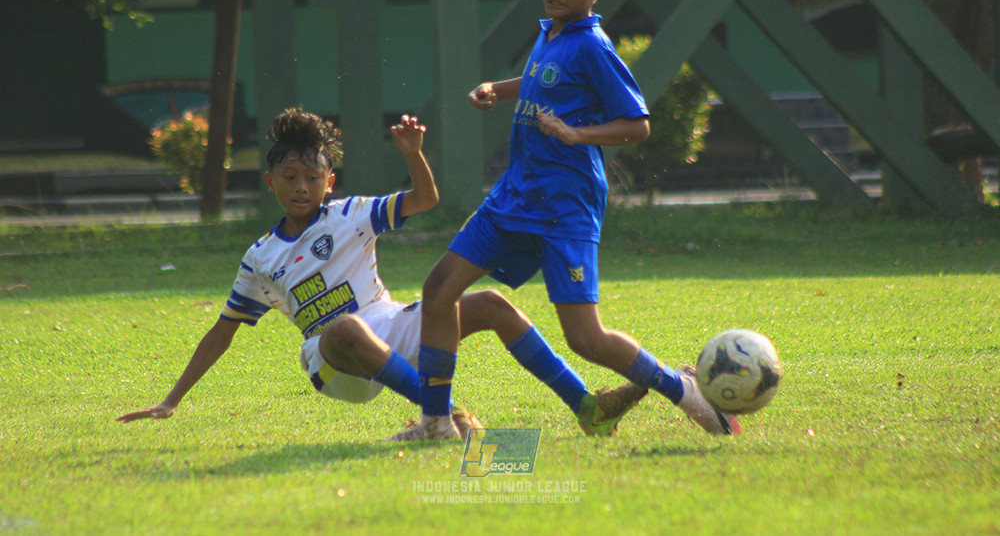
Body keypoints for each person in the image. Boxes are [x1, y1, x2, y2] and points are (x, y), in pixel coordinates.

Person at [393, 0, 741, 441]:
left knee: (586, 339)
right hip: (514, 195)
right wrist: (500, 88)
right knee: (439, 290)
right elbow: (541, 80)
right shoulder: (549, 31)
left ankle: (682, 389)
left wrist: (578, 135)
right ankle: (437, 423)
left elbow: (637, 123)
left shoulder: (594, 47)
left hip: (565, 207)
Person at [117, 107, 636, 439]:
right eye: (290, 177)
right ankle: (446, 417)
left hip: (388, 326)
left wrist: (413, 156)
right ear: (270, 180)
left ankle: (586, 406)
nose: (301, 187)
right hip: (332, 362)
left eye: (312, 177)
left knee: (492, 304)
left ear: (329, 181)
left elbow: (426, 199)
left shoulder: (351, 214)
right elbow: (222, 331)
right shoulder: (260, 255)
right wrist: (170, 400)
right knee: (342, 327)